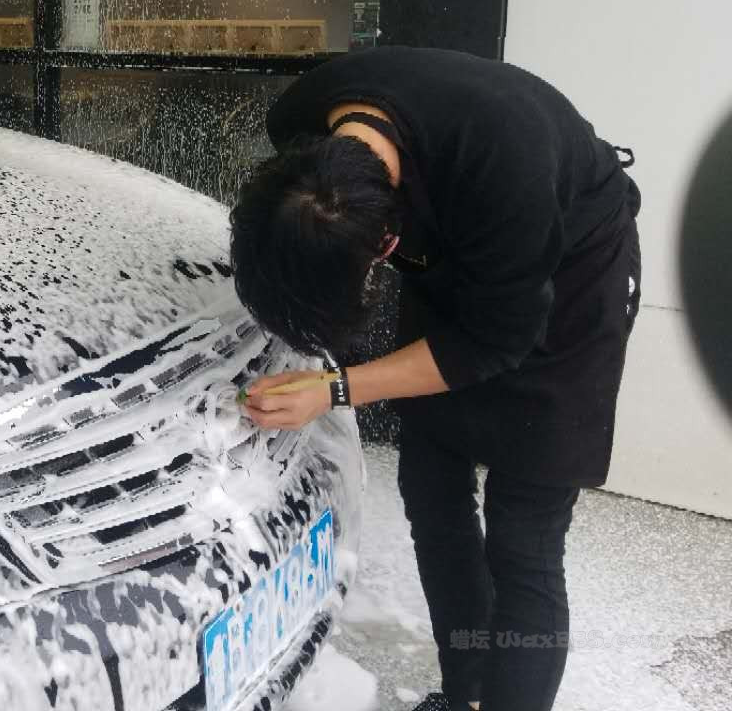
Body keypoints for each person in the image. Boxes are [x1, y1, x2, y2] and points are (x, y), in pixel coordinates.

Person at [229, 47, 640, 711]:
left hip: (573, 275)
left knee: (524, 536)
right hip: (455, 254)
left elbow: (496, 338)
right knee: (431, 491)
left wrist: (335, 389)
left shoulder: (506, 163)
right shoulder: (301, 129)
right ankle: (466, 691)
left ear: (385, 248)